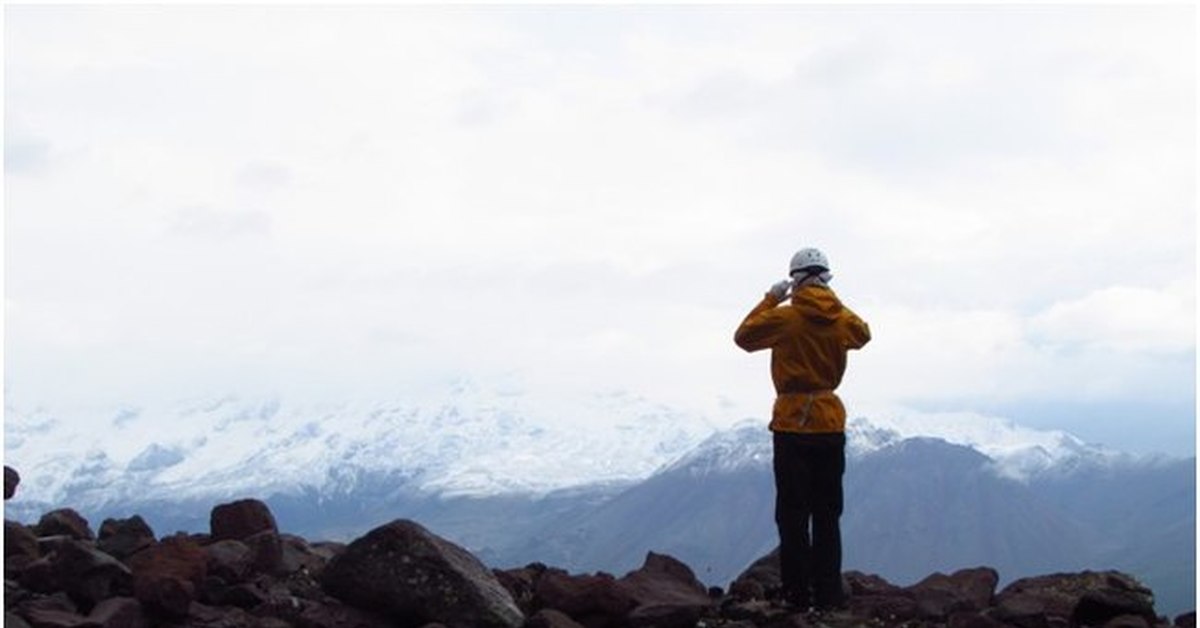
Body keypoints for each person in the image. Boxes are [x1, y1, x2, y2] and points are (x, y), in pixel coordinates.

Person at [734, 247, 871, 611]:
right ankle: (828, 595)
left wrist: (771, 298)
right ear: (826, 278)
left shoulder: (786, 318)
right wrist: (833, 302)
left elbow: (744, 337)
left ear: (795, 279)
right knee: (828, 513)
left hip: (792, 422)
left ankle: (796, 595)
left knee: (793, 514)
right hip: (829, 421)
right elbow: (863, 333)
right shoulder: (841, 319)